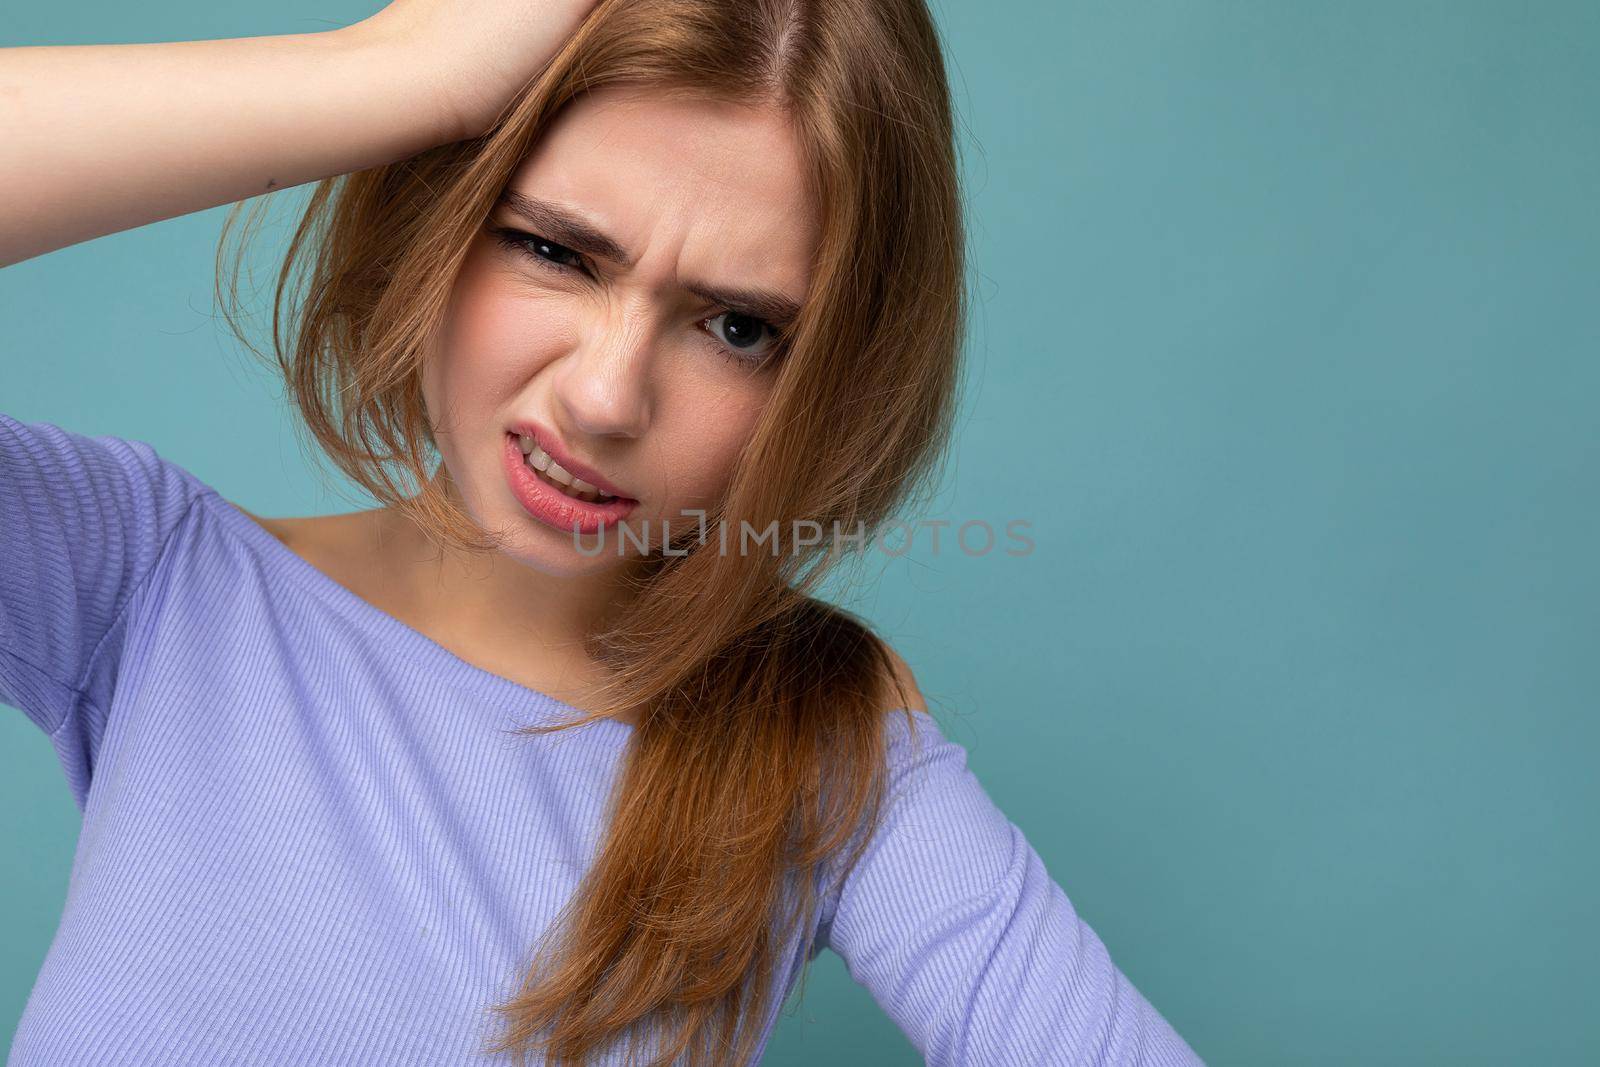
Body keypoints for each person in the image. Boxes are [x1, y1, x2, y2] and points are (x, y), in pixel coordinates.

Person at [0, 0, 1206, 1063]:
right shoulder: (145, 575)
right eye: (556, 250)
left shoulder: (818, 747)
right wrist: (395, 72)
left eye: (736, 326)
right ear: (442, 223)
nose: (605, 398)